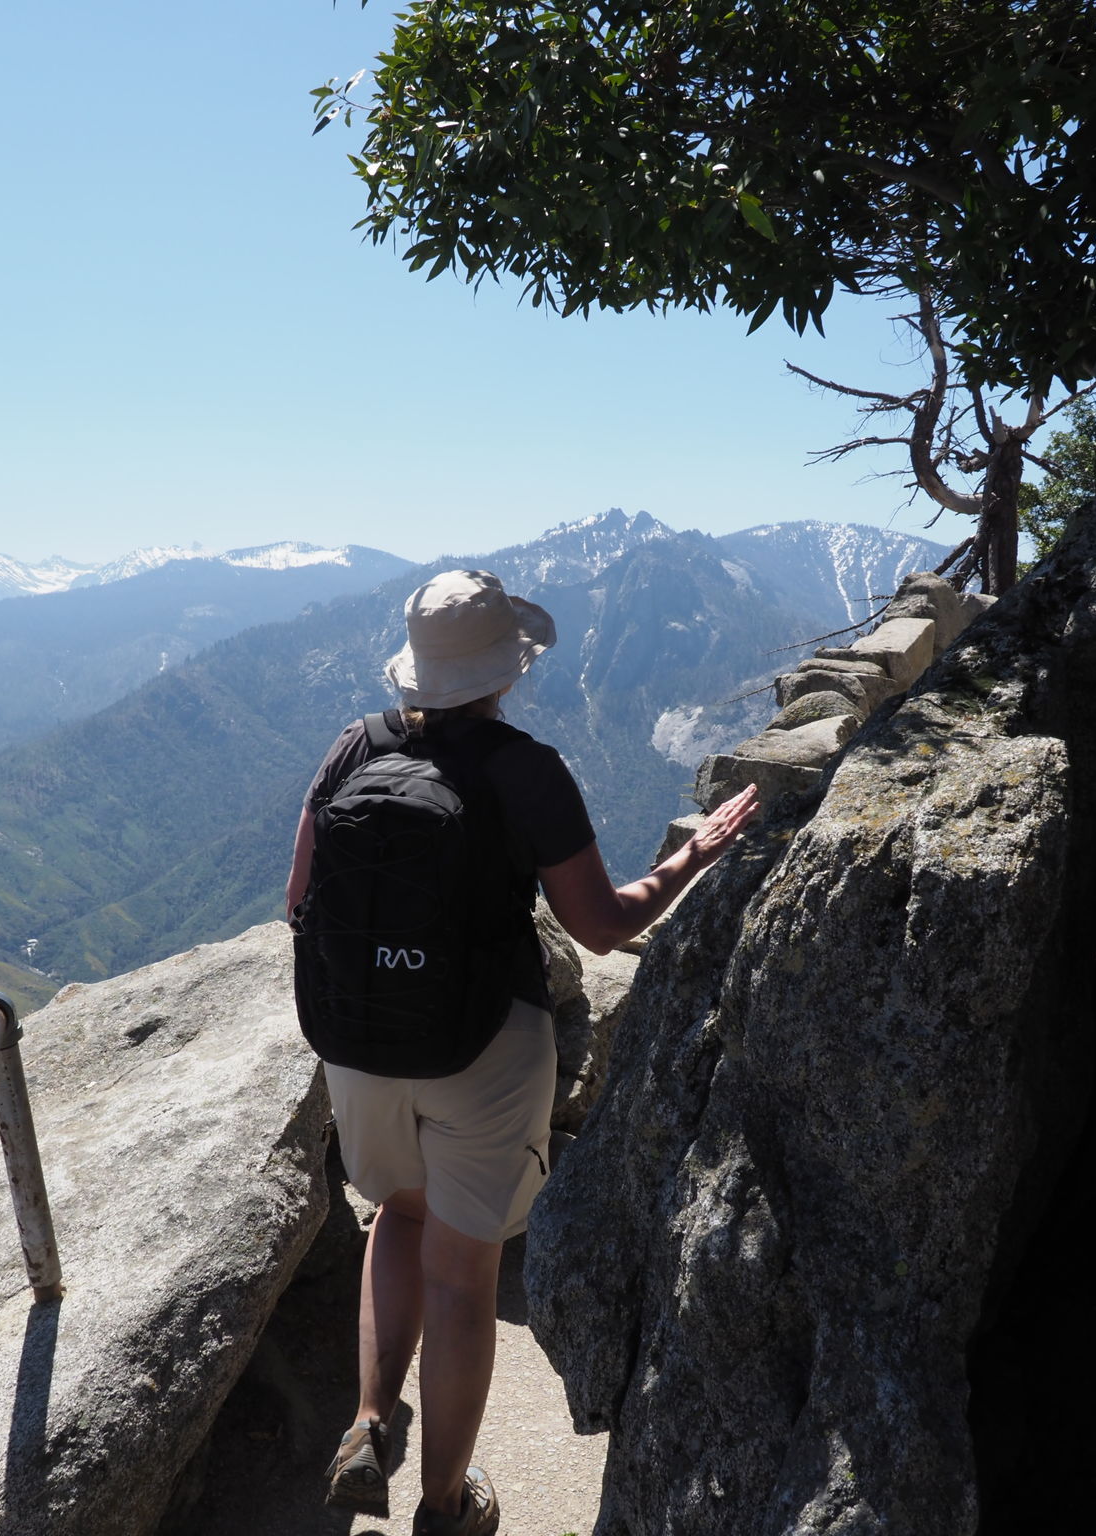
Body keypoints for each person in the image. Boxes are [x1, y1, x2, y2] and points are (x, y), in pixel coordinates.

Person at [284, 569, 759, 1536]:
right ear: (505, 670)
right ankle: (446, 1506)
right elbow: (597, 925)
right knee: (464, 1273)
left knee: (395, 1218)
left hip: (360, 1044)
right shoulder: (525, 767)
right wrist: (692, 858)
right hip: (483, 1051)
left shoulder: (353, 747)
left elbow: (300, 900)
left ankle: (371, 1422)